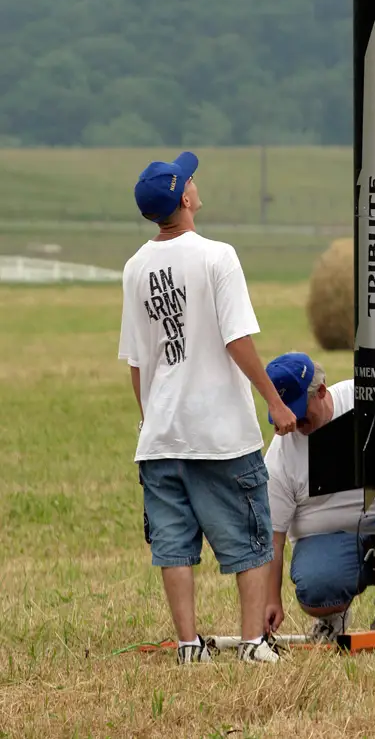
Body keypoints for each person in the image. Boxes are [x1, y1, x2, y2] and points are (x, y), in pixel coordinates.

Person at [118, 151, 297, 666]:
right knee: (249, 534)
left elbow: (137, 361)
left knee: (173, 545)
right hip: (220, 431)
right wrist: (273, 399)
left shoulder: (134, 268)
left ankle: (189, 645)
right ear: (185, 198)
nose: (196, 182)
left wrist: (149, 417)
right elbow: (237, 339)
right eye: (190, 178)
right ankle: (252, 644)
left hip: (161, 434)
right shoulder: (218, 256)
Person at [262, 352, 375, 642]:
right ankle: (332, 619)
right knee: (317, 589)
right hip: (326, 537)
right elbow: (274, 537)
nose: (292, 421)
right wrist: (271, 600)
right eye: (282, 410)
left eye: (298, 410)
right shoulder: (279, 457)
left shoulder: (368, 397)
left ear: (321, 391)